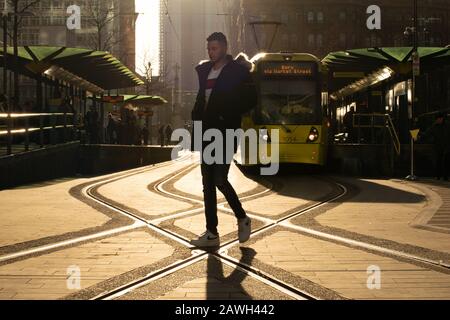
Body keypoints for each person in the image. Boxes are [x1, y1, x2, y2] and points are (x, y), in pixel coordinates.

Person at [189, 32, 257, 247]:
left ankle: (242, 218)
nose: (211, 52)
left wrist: (227, 114)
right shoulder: (206, 71)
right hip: (207, 131)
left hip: (226, 130)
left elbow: (251, 100)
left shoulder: (238, 71)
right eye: (209, 48)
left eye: (215, 48)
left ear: (225, 48)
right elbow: (203, 99)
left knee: (219, 178)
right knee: (207, 183)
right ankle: (211, 233)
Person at [420, 111, 450, 181]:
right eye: (437, 119)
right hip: (439, 146)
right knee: (439, 161)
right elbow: (427, 133)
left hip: (447, 146)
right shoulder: (434, 126)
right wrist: (420, 134)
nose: (438, 120)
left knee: (446, 162)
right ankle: (438, 176)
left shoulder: (447, 125)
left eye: (439, 119)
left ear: (442, 119)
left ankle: (445, 176)